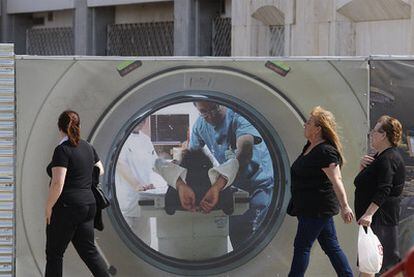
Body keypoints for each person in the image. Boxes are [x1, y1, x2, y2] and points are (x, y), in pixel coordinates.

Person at [178, 101, 274, 249]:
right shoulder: (200, 125)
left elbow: (244, 153)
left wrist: (218, 184)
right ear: (197, 109)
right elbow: (192, 158)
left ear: (221, 104)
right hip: (234, 184)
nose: (210, 115)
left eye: (214, 108)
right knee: (237, 235)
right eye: (204, 111)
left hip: (258, 183)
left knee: (258, 238)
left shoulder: (239, 117)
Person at [287, 106, 354, 277]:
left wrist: (345, 206)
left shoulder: (326, 152)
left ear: (318, 129)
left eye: (308, 123)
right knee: (331, 246)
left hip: (316, 209)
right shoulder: (310, 147)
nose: (305, 124)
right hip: (308, 207)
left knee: (302, 247)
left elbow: (336, 180)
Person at [45, 110, 110, 277]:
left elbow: (58, 183)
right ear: (78, 126)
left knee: (54, 254)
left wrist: (49, 207)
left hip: (68, 207)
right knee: (89, 252)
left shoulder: (62, 150)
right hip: (88, 205)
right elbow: (100, 170)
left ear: (60, 127)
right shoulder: (88, 146)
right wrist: (85, 180)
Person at [354, 115, 405, 276]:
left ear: (384, 135)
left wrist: (369, 214)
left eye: (374, 131)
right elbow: (364, 184)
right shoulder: (378, 157)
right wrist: (363, 168)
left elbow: (384, 189)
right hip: (376, 222)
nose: (371, 134)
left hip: (381, 222)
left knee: (372, 267)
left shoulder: (388, 158)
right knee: (369, 267)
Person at [115, 117, 165, 243]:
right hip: (127, 199)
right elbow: (120, 164)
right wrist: (136, 185)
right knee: (125, 244)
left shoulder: (145, 140)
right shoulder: (121, 139)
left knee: (145, 243)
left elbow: (155, 163)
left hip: (144, 199)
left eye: (144, 120)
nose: (141, 122)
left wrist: (171, 166)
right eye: (139, 119)